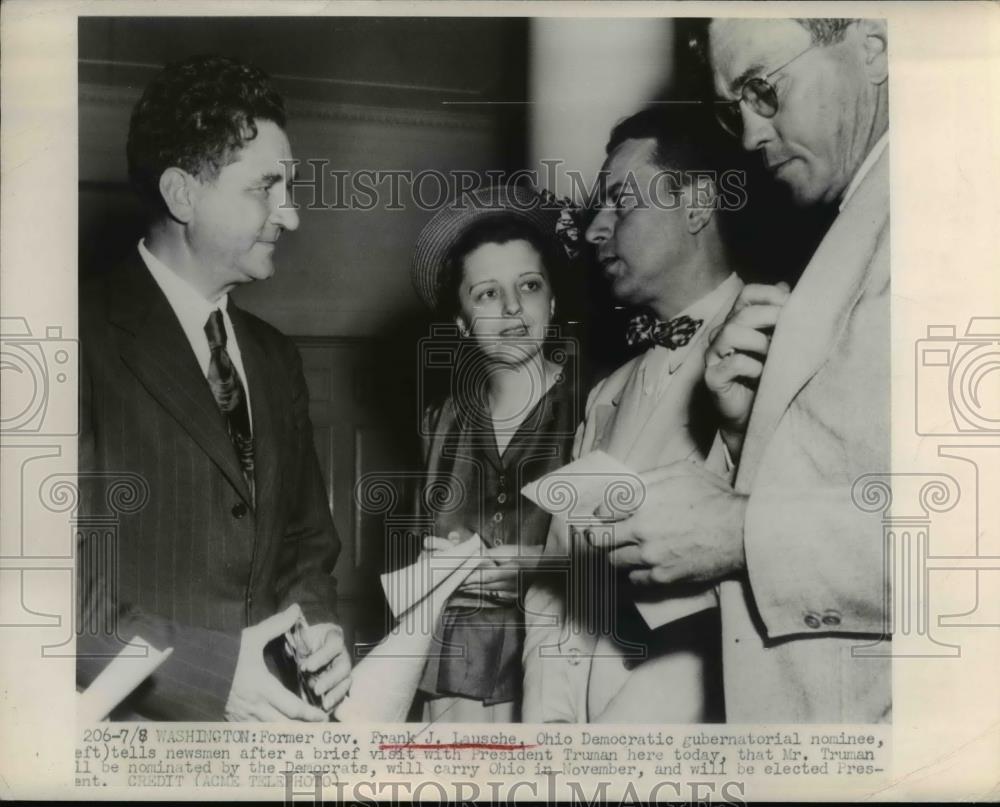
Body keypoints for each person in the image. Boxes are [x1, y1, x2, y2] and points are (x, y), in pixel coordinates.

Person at [592, 18, 891, 722]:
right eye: (735, 110)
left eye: (764, 90)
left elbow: (969, 542)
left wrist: (739, 531)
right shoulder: (854, 222)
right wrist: (743, 424)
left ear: (871, 49)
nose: (751, 137)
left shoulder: (943, 214)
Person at [77, 55, 351, 721]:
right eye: (266, 188)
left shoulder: (275, 357)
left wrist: (317, 629)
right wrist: (210, 674)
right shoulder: (69, 336)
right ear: (182, 194)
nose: (290, 216)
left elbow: (307, 543)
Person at [521, 106, 744, 722]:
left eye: (621, 200)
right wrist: (551, 733)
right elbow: (561, 591)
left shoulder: (777, 353)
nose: (595, 230)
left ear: (697, 205)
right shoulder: (605, 393)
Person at [407, 185, 579, 722]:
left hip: (556, 673)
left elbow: (628, 562)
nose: (511, 308)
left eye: (528, 286)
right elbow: (421, 554)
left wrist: (540, 570)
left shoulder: (596, 405)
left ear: (552, 300)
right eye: (486, 294)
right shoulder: (441, 422)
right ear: (461, 322)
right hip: (452, 682)